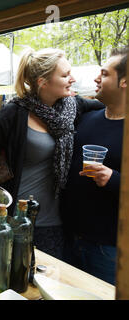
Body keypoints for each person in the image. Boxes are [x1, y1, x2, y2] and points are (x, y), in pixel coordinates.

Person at [0, 48, 104, 259]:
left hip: (55, 222)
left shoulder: (73, 107)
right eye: (65, 75)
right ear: (43, 82)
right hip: (15, 218)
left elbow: (108, 105)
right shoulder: (15, 112)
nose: (73, 79)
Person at [61, 47, 127, 284]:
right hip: (68, 239)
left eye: (105, 74)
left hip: (107, 250)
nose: (97, 79)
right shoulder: (87, 119)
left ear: (125, 82)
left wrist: (114, 179)